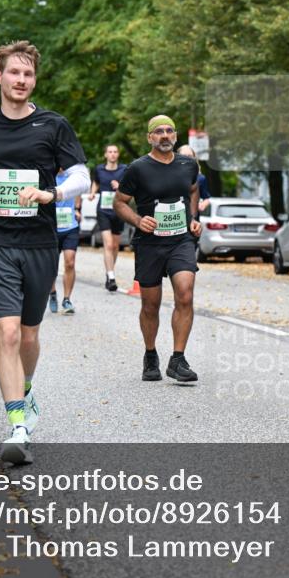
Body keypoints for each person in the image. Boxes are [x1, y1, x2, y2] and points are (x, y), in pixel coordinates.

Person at [0, 40, 89, 464]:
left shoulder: (53, 125)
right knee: (8, 332)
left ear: (34, 80)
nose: (21, 80)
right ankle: (17, 426)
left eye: (28, 74)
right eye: (14, 72)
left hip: (39, 242)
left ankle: (26, 391)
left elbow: (82, 176)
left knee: (29, 333)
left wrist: (53, 194)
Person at [114, 115, 202, 384]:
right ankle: (150, 354)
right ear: (150, 137)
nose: (165, 135)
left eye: (169, 130)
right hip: (150, 243)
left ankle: (178, 359)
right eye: (159, 131)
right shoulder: (137, 168)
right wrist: (138, 220)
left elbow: (193, 190)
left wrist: (192, 218)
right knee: (150, 305)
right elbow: (119, 202)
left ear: (175, 135)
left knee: (185, 294)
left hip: (181, 240)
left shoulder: (188, 164)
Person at [87, 144, 127, 291]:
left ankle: (110, 271)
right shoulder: (99, 169)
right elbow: (96, 182)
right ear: (106, 155)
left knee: (115, 246)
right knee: (108, 244)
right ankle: (111, 277)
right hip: (103, 210)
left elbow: (130, 187)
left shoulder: (124, 169)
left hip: (119, 210)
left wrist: (120, 186)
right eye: (110, 152)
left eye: (115, 152)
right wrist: (92, 192)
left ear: (118, 154)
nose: (112, 154)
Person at [48, 165, 81, 315]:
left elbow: (78, 191)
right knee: (51, 265)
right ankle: (52, 293)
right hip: (51, 228)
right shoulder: (48, 175)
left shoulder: (73, 176)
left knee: (70, 262)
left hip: (70, 226)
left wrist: (77, 209)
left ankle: (67, 299)